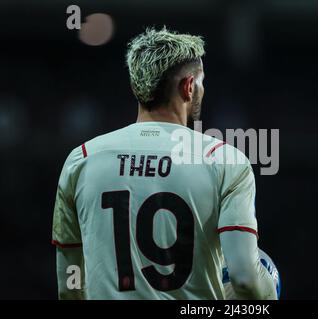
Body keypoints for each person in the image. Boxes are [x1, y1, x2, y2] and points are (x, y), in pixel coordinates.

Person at [52, 27, 277, 300]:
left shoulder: (82, 159)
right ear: (189, 86)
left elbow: (70, 287)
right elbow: (244, 280)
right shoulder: (225, 160)